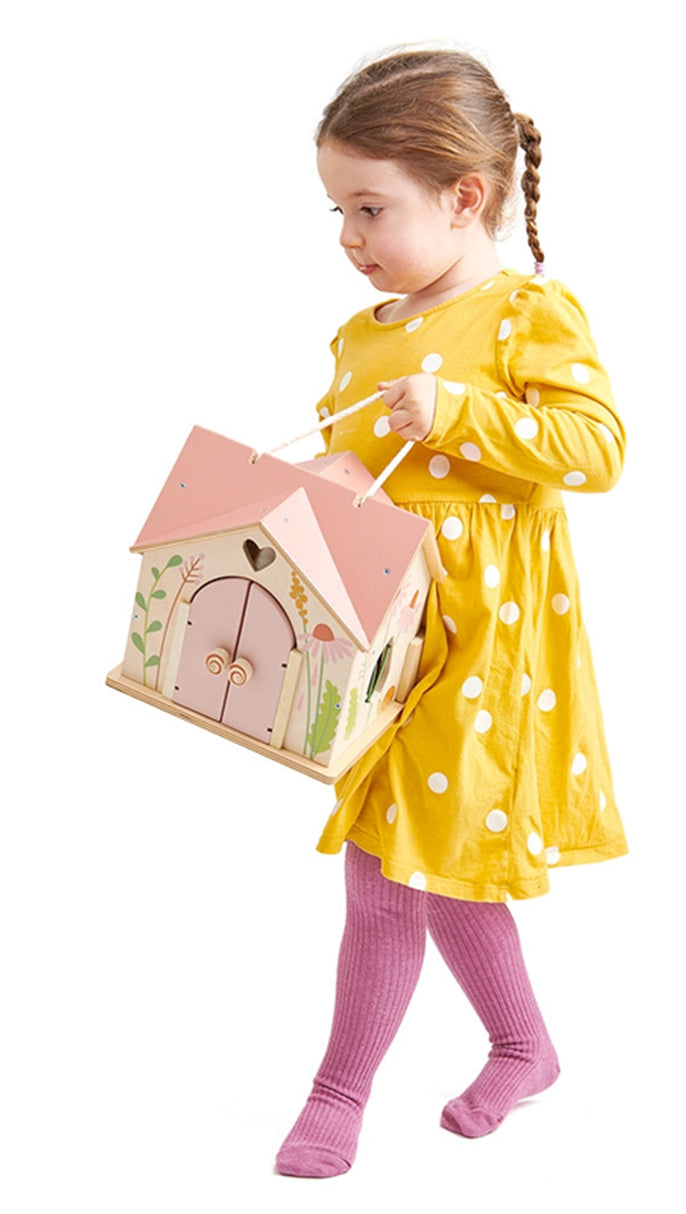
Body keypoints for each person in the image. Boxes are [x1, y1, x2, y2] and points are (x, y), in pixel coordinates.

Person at [275, 47, 628, 1179]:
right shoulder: (362, 336)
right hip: (383, 644)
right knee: (431, 857)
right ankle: (524, 1044)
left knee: (390, 867)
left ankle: (337, 1093)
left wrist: (464, 406)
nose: (348, 235)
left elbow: (596, 448)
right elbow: (364, 478)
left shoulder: (525, 313)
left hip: (486, 644)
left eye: (369, 206)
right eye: (337, 209)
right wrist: (327, 483)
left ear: (463, 196)